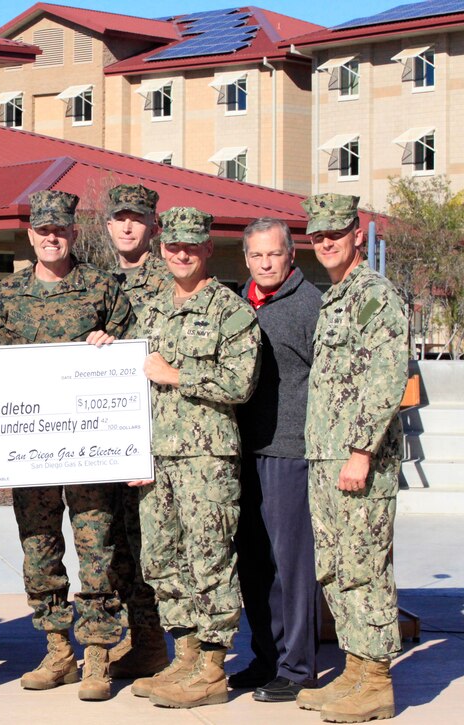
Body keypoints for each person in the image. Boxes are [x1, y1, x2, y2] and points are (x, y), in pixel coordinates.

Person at [0, 189, 133, 702]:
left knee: (97, 550)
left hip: (89, 448)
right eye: (42, 230)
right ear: (30, 235)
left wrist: (109, 346)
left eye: (60, 229)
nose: (52, 237)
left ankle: (97, 654)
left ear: (73, 232)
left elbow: (128, 356)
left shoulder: (103, 288)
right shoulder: (7, 295)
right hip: (32, 450)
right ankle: (57, 650)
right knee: (39, 549)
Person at [128, 207, 260, 709]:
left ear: (208, 248)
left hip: (206, 459)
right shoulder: (152, 308)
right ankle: (183, 655)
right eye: (172, 245)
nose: (181, 253)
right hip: (158, 456)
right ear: (162, 249)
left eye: (191, 245)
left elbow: (240, 383)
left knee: (210, 560)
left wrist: (176, 375)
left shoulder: (231, 311)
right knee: (161, 559)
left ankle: (211, 667)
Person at [296, 194, 408, 723]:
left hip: (358, 462)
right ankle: (357, 670)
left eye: (334, 234)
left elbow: (385, 379)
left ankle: (378, 681)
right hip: (327, 461)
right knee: (337, 570)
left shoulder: (374, 297)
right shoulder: (335, 298)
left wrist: (361, 452)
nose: (325, 243)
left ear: (357, 233)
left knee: (365, 568)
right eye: (316, 236)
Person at [231, 218, 322, 702]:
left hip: (289, 452)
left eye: (275, 254)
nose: (266, 263)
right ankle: (266, 657)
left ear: (291, 256)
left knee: (292, 566)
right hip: (242, 453)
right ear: (246, 258)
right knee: (254, 565)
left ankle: (298, 666)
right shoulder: (236, 305)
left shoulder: (310, 306)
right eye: (257, 255)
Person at [102, 184, 170, 680]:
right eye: (120, 218)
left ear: (153, 226)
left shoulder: (171, 282)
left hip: (156, 435)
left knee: (155, 546)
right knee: (119, 546)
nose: (127, 226)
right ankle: (140, 641)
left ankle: (162, 644)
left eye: (137, 219)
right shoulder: (99, 283)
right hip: (105, 435)